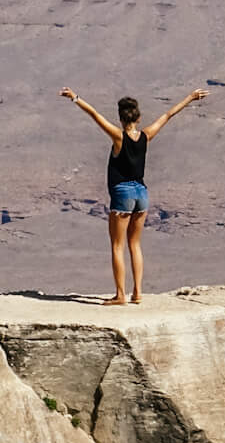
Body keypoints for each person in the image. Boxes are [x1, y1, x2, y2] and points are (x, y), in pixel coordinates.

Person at [59, 86, 208, 304]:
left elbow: (95, 115)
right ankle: (137, 293)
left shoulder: (118, 137)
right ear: (138, 117)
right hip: (142, 193)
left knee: (117, 245)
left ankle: (120, 295)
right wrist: (190, 97)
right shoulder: (146, 136)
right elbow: (168, 114)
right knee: (135, 244)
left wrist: (75, 98)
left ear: (120, 118)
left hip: (123, 194)